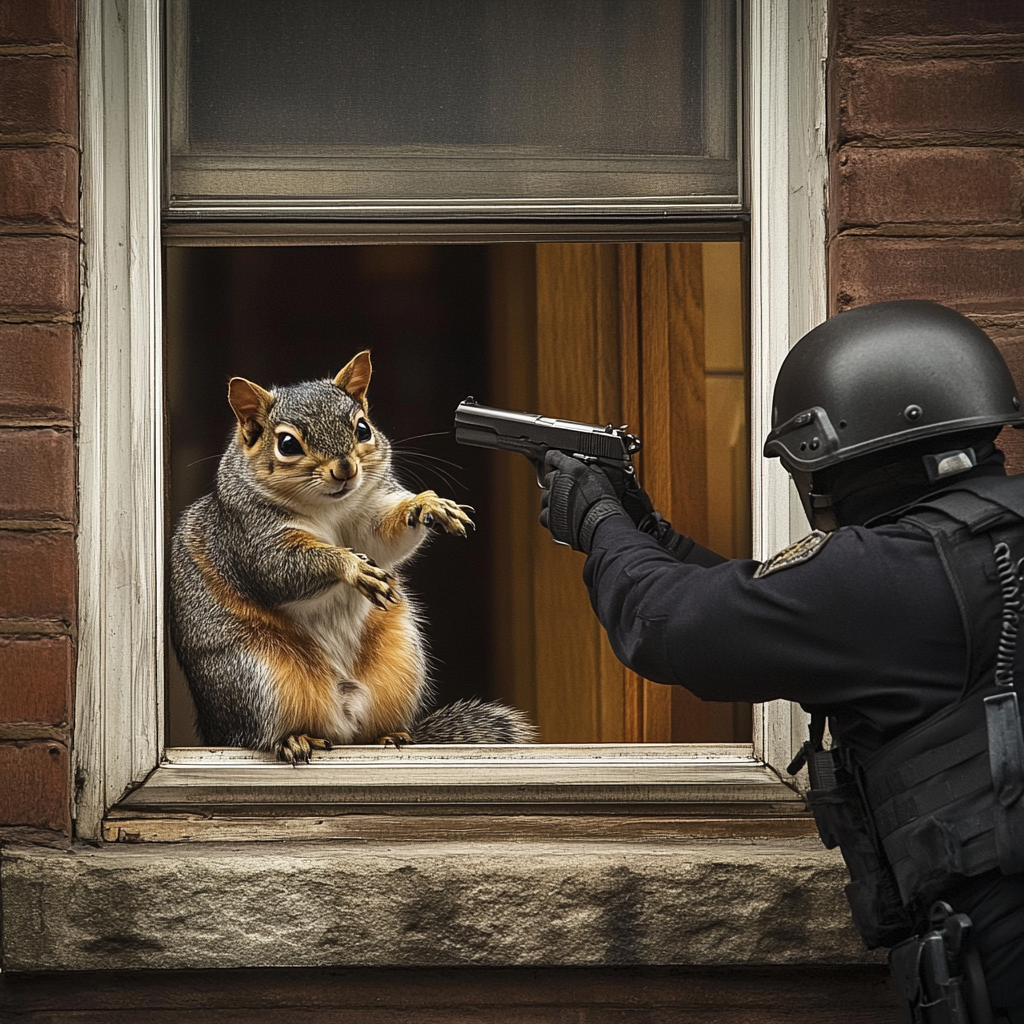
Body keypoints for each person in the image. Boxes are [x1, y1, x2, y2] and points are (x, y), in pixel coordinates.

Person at [537, 300, 1024, 1022]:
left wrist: (599, 523)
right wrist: (648, 533)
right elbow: (775, 605)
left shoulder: (885, 572)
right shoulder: (960, 549)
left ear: (835, 461)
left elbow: (670, 625)